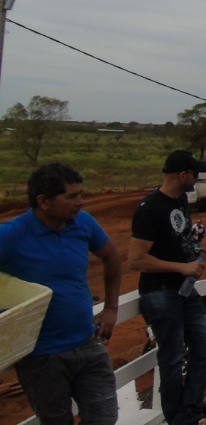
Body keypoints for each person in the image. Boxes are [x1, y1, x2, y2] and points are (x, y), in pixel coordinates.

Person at [0, 163, 121, 425]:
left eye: (80, 194)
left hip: (88, 343)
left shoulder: (83, 223)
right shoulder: (11, 235)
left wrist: (111, 307)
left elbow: (111, 257)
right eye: (71, 196)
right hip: (41, 358)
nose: (80, 202)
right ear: (44, 201)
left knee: (105, 418)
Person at [129, 150, 206, 425]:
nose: (198, 177)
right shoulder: (150, 209)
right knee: (172, 357)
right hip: (160, 292)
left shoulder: (180, 199)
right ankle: (179, 419)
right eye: (195, 173)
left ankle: (187, 414)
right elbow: (136, 259)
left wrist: (192, 255)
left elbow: (180, 236)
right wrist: (182, 268)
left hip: (184, 289)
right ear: (183, 175)